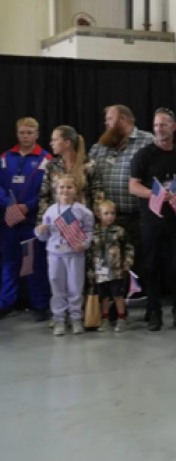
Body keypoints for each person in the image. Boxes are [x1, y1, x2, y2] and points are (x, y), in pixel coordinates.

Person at [129, 108, 176, 332]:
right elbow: (133, 186)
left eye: (163, 124)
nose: (159, 129)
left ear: (174, 126)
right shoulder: (144, 155)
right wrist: (156, 195)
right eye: (156, 125)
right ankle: (154, 311)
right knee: (151, 266)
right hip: (151, 221)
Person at [90, 105, 155, 303]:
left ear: (124, 119)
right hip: (107, 217)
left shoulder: (147, 141)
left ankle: (141, 297)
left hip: (137, 214)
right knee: (109, 261)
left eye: (110, 119)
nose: (106, 123)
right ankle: (111, 301)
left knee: (138, 259)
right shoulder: (101, 146)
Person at [0, 118, 52, 322]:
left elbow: (49, 191)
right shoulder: (5, 157)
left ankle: (40, 304)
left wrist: (27, 206)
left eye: (29, 133)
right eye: (22, 132)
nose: (25, 136)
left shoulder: (46, 159)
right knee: (9, 262)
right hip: (9, 220)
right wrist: (8, 204)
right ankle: (6, 303)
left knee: (34, 263)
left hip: (32, 220)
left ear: (37, 134)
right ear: (17, 134)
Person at [35, 175, 95, 336]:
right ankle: (59, 319)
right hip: (55, 254)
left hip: (75, 254)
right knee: (57, 286)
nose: (65, 190)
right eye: (62, 187)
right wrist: (40, 231)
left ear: (75, 190)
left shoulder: (83, 211)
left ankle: (76, 318)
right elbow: (43, 236)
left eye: (69, 187)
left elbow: (89, 232)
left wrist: (84, 244)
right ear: (56, 190)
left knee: (75, 287)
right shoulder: (50, 210)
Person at [89, 200, 135, 333]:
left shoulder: (120, 231)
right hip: (100, 272)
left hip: (117, 271)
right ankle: (105, 319)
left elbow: (129, 247)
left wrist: (127, 262)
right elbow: (90, 254)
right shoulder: (93, 232)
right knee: (103, 296)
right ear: (99, 214)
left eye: (112, 213)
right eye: (106, 213)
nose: (110, 216)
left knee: (117, 295)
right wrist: (90, 272)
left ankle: (121, 318)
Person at [39, 126, 103, 221]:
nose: (51, 143)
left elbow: (98, 197)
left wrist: (97, 223)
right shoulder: (51, 165)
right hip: (56, 222)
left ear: (67, 143)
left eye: (55, 140)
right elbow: (44, 197)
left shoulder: (89, 165)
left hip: (82, 222)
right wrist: (43, 222)